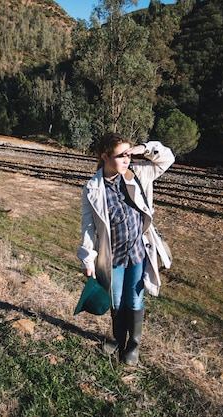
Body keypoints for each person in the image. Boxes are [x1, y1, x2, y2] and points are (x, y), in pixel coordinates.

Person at [77, 132, 175, 366]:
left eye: (128, 154)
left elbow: (167, 158)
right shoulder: (93, 187)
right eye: (121, 155)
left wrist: (144, 148)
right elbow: (88, 227)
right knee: (117, 301)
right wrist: (88, 260)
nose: (126, 159)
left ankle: (134, 346)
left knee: (135, 300)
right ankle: (118, 340)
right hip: (113, 257)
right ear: (104, 157)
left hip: (138, 252)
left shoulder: (138, 173)